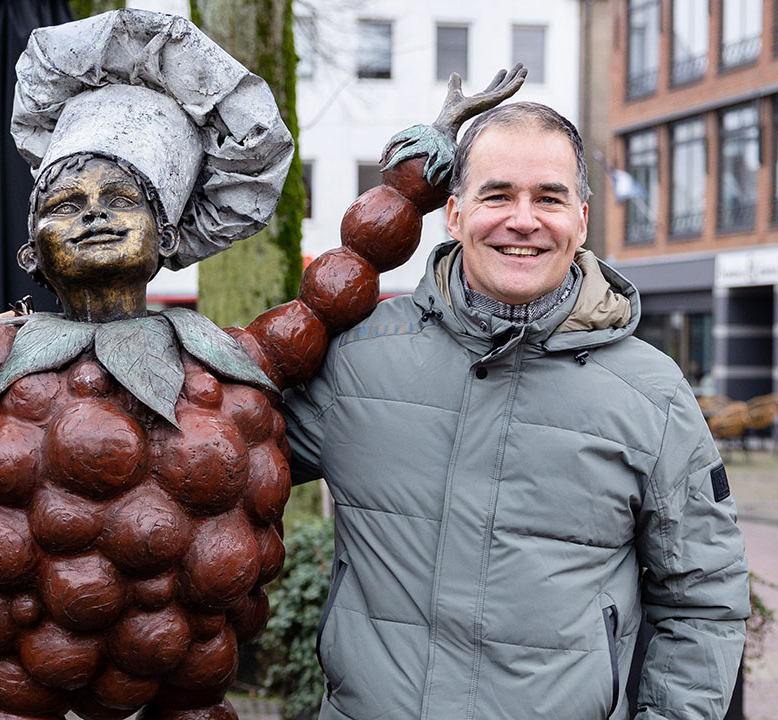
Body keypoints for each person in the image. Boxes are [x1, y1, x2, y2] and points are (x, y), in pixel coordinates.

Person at [283, 102, 750, 720]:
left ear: (581, 220)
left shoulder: (652, 394)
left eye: (549, 199)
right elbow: (217, 451)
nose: (523, 220)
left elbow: (703, 597)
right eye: (497, 195)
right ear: (453, 212)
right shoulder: (356, 360)